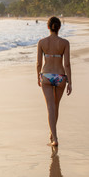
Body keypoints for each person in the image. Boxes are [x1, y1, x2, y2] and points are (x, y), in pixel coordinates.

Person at [37, 17, 72, 146]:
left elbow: (38, 63)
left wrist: (38, 77)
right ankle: (53, 134)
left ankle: (55, 138)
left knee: (50, 107)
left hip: (46, 76)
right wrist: (70, 82)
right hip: (60, 76)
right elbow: (67, 64)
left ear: (48, 27)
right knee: (56, 106)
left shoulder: (42, 42)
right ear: (59, 27)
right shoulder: (65, 43)